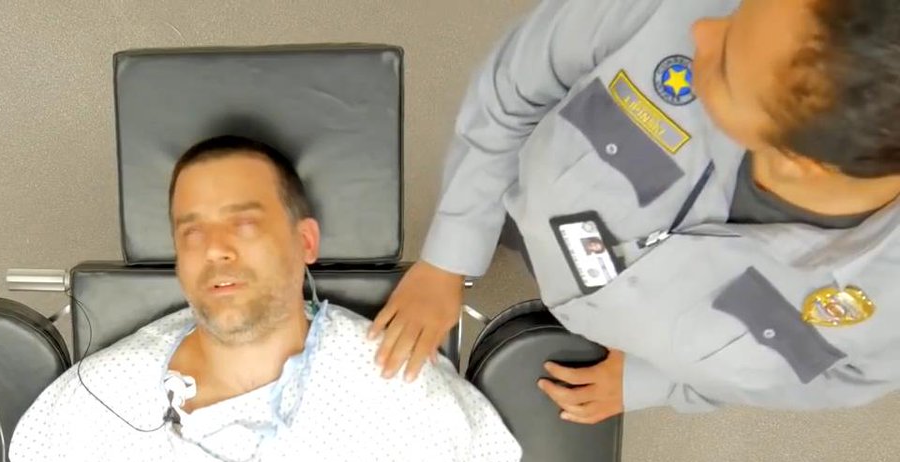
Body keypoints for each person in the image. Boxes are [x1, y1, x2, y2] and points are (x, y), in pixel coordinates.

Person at [7, 135, 544, 462]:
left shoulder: (401, 385)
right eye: (191, 232)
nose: (215, 249)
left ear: (305, 242)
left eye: (243, 223)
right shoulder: (97, 399)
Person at [371, 0, 900, 424]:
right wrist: (449, 256)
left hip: (637, 327)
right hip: (533, 212)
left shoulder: (886, 313)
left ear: (800, 163)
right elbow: (514, 86)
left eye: (724, 66)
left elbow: (833, 382)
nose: (702, 30)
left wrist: (660, 384)